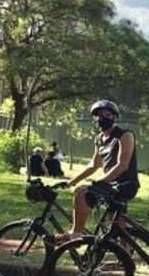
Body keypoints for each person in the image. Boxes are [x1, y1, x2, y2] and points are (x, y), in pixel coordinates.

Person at [58, 100, 140, 241]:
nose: (102, 118)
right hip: (111, 184)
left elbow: (123, 165)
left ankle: (76, 233)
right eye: (98, 115)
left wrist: (100, 182)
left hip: (127, 183)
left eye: (107, 114)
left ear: (114, 117)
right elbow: (94, 164)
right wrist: (72, 181)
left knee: (82, 192)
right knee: (118, 222)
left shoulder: (125, 135)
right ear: (94, 118)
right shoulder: (99, 139)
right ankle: (124, 258)